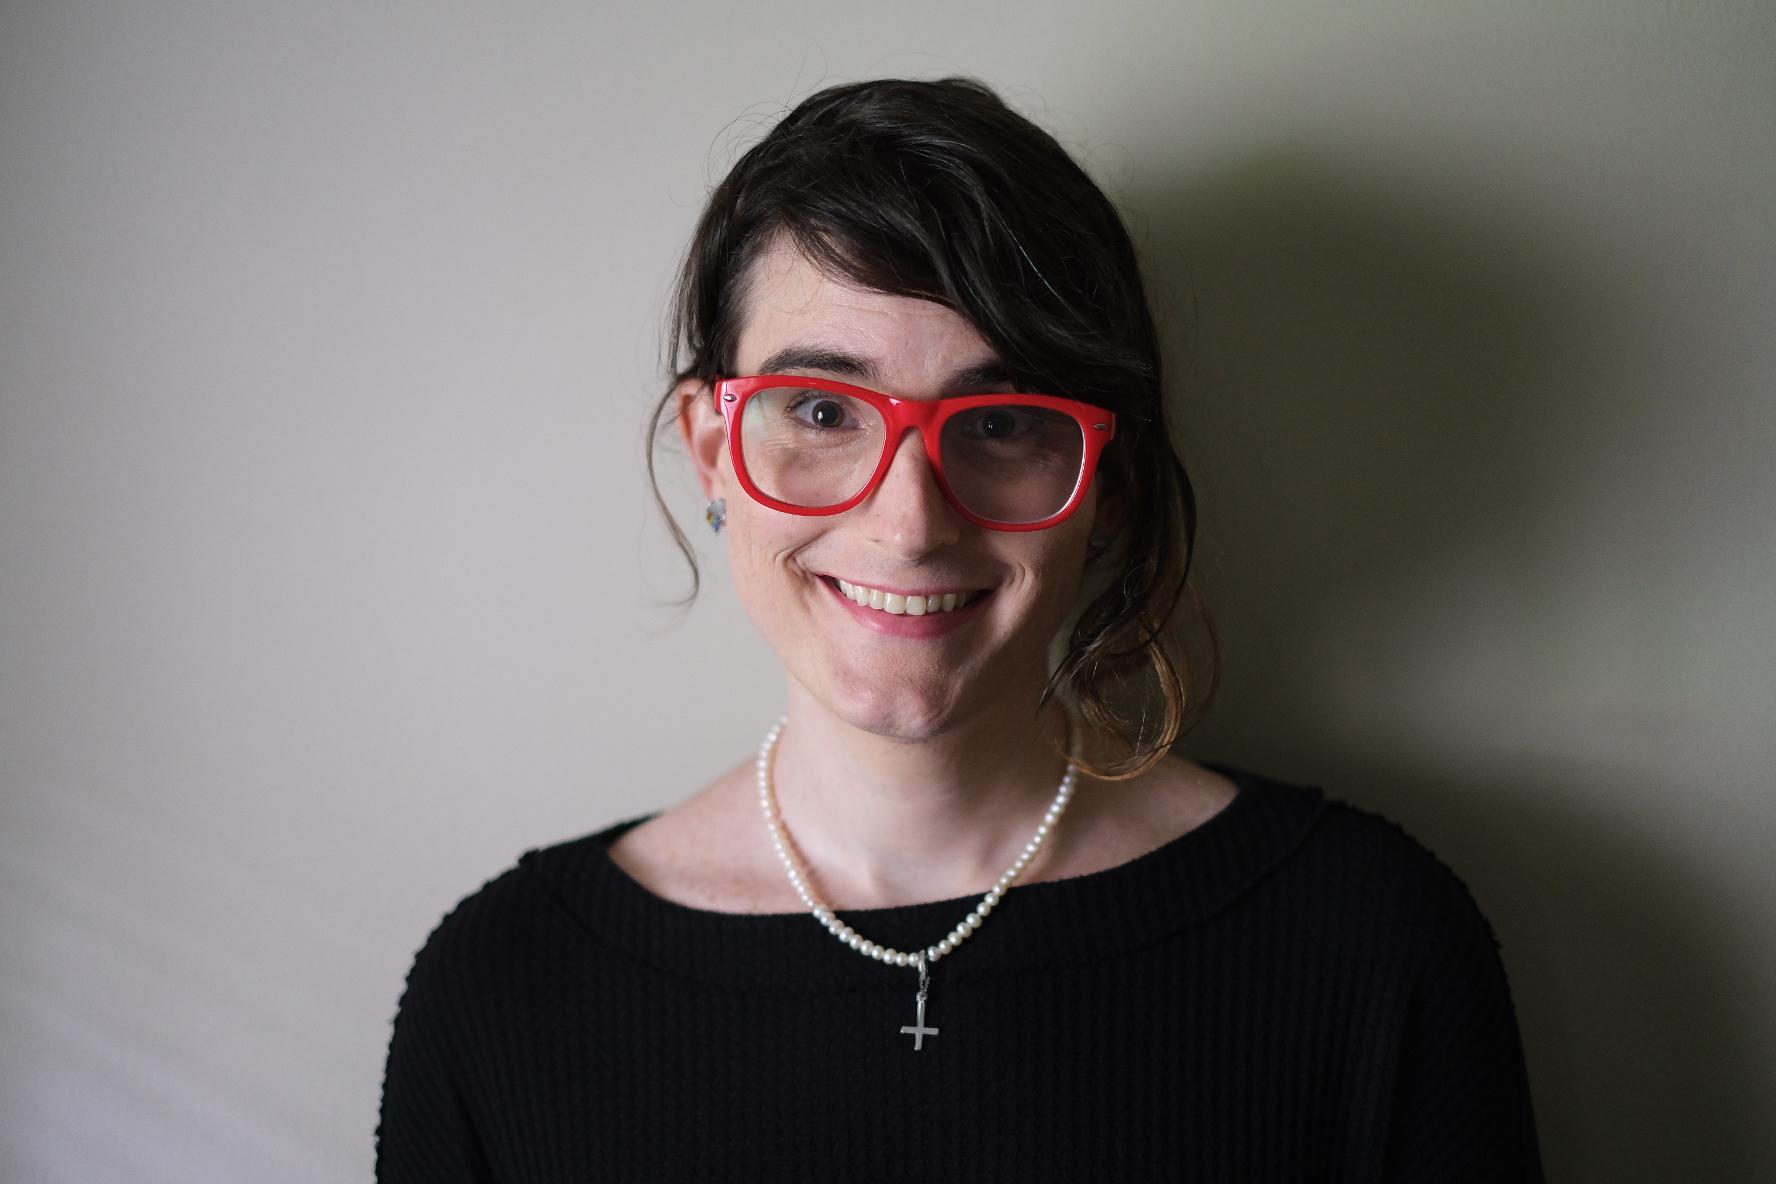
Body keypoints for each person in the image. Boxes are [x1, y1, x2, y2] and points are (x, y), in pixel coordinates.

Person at [376, 77, 1543, 1181]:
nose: (908, 521)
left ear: (1109, 480)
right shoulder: (501, 992)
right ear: (714, 448)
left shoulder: (1375, 946)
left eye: (1002, 421)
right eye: (824, 409)